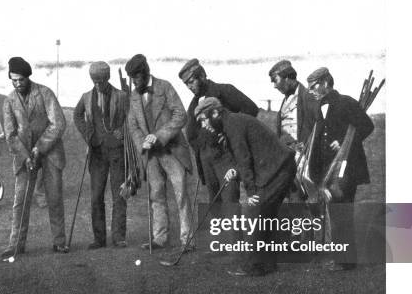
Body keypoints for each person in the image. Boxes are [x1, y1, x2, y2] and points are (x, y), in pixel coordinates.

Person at [195, 97, 296, 277]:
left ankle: (253, 266)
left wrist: (251, 193)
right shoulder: (231, 123)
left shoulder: (233, 125)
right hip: (279, 168)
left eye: (204, 119)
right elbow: (243, 156)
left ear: (215, 113)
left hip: (278, 169)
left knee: (253, 211)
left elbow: (244, 159)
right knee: (266, 215)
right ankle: (268, 265)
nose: (204, 125)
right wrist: (234, 170)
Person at [306, 67, 375, 271]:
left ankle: (345, 262)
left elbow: (367, 126)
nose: (310, 90)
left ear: (326, 83)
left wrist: (346, 141)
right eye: (309, 87)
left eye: (313, 86)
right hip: (329, 169)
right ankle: (343, 259)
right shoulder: (320, 106)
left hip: (347, 167)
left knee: (342, 210)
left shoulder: (346, 102)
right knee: (336, 211)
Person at [1, 57, 68, 258]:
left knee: (54, 198)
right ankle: (16, 245)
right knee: (20, 201)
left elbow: (58, 123)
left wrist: (40, 147)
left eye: (21, 80)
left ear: (28, 77)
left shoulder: (45, 93)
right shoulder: (9, 101)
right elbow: (10, 134)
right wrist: (25, 155)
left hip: (50, 153)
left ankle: (59, 242)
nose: (18, 84)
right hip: (24, 155)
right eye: (14, 80)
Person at [125, 54, 193, 251]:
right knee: (156, 196)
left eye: (136, 77)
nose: (134, 82)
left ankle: (187, 240)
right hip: (151, 156)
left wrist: (160, 135)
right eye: (131, 78)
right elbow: (133, 125)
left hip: (173, 150)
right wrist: (142, 143)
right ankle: (160, 238)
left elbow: (181, 114)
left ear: (145, 73)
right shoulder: (135, 96)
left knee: (181, 195)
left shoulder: (165, 87)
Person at [180, 58, 259, 204]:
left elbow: (251, 109)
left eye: (191, 81)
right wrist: (202, 149)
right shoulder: (193, 105)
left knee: (229, 201)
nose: (189, 86)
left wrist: (230, 133)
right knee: (214, 203)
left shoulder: (224, 91)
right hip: (206, 159)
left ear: (202, 75)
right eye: (186, 84)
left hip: (225, 156)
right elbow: (191, 134)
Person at [73, 62, 129, 249]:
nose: (98, 85)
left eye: (101, 81)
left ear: (108, 78)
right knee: (96, 196)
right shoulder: (86, 97)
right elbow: (77, 116)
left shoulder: (121, 96)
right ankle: (99, 239)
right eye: (95, 81)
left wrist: (123, 130)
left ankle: (119, 237)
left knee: (119, 195)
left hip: (117, 153)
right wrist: (88, 133)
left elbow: (132, 118)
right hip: (97, 153)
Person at [268, 60, 318, 156]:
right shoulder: (286, 100)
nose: (274, 86)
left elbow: (318, 127)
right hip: (286, 156)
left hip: (303, 158)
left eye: (275, 80)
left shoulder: (308, 97)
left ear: (286, 78)